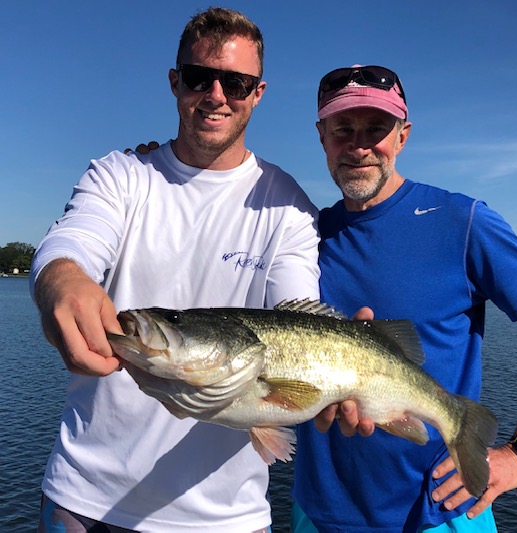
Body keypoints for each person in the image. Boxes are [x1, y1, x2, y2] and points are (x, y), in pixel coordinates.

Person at [30, 7, 321, 532]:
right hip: (84, 503)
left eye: (236, 82)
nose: (215, 94)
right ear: (174, 82)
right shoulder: (119, 175)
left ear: (257, 93)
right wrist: (63, 280)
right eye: (198, 77)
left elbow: (294, 315)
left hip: (229, 520)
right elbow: (71, 242)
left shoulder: (291, 208)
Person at [290, 65, 517, 532]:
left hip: (440, 513)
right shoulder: (301, 234)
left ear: (403, 136)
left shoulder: (462, 222)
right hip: (319, 514)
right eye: (342, 130)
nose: (358, 145)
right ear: (322, 137)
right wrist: (155, 167)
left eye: (376, 128)